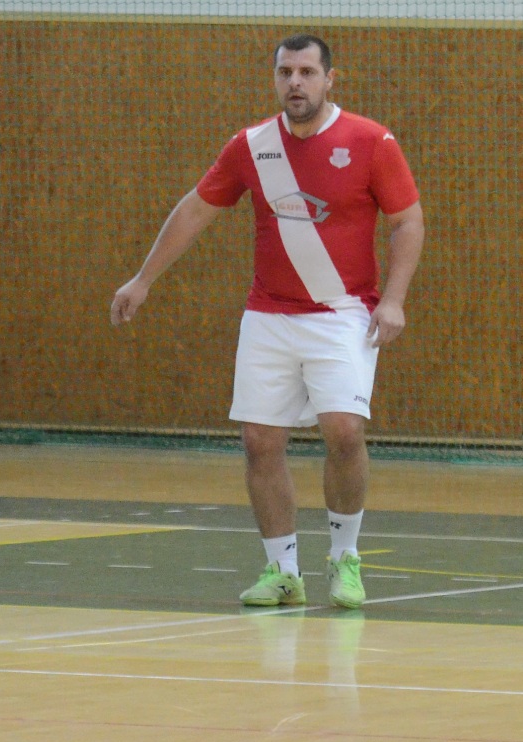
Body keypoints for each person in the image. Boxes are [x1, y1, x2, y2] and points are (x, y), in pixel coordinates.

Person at [110, 34, 424, 611]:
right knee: (259, 442)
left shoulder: (371, 141)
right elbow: (195, 210)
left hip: (342, 313)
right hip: (268, 313)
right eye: (285, 73)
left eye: (306, 72)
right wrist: (143, 278)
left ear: (330, 79)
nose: (295, 83)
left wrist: (394, 300)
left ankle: (344, 558)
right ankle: (283, 572)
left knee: (344, 431)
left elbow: (408, 221)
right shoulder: (251, 146)